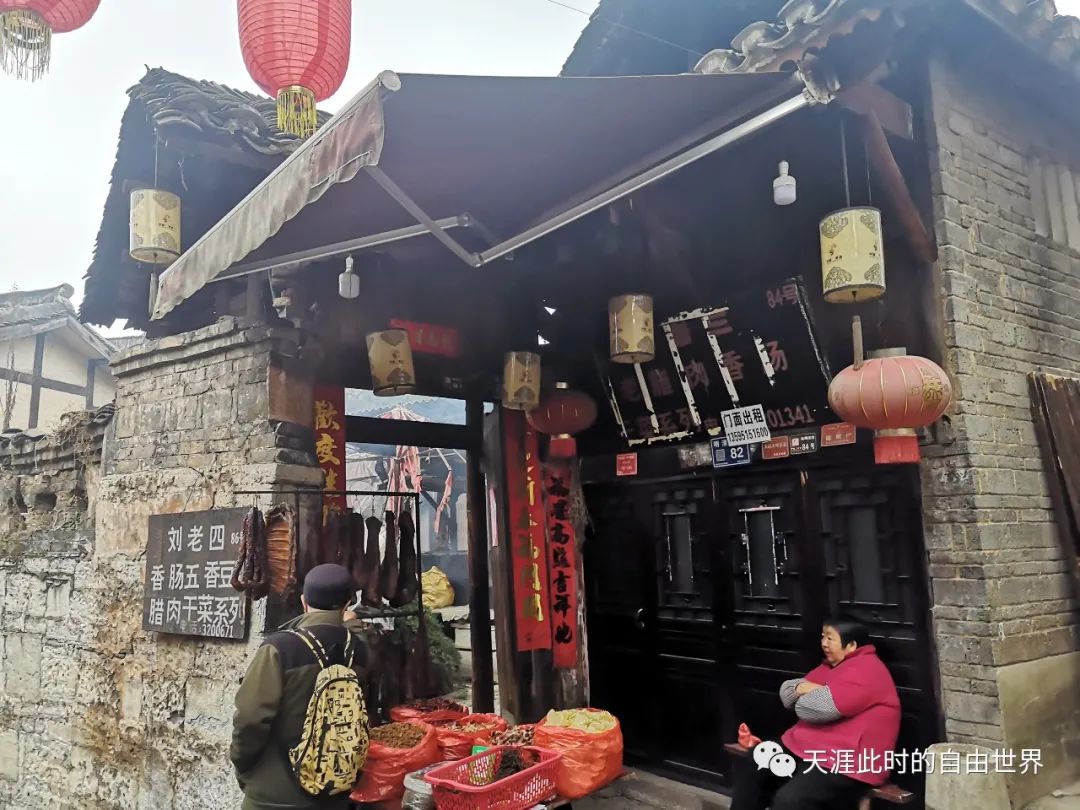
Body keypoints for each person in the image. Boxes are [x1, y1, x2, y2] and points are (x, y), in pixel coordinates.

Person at [231, 564, 369, 810]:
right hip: (334, 792)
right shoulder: (359, 650)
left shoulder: (279, 648)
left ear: (304, 601)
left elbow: (251, 719)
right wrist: (352, 625)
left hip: (274, 795)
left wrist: (244, 766)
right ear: (347, 604)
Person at [731, 616, 901, 810]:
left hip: (848, 762)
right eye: (823, 637)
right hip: (809, 747)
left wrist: (806, 691)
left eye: (830, 638)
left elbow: (813, 710)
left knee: (790, 801)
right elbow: (787, 693)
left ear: (851, 645)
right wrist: (807, 689)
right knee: (756, 760)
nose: (824, 643)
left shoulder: (867, 670)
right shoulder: (830, 666)